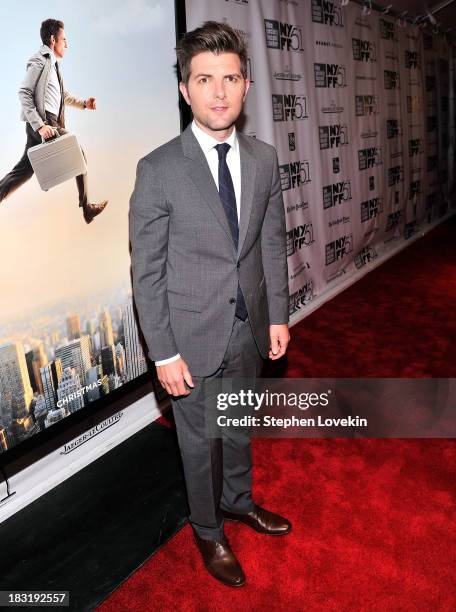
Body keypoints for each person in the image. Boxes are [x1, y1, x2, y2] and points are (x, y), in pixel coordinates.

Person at [129, 21, 291, 587]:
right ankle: (207, 529)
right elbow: (146, 273)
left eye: (229, 78)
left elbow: (270, 241)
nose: (218, 92)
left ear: (246, 86)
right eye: (204, 79)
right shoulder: (158, 170)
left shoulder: (266, 159)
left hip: (248, 327)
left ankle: (238, 501)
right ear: (184, 88)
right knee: (199, 443)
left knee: (240, 423)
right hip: (190, 338)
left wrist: (278, 316)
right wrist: (163, 351)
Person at [0, 18, 107, 224]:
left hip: (47, 122)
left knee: (23, 171)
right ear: (52, 40)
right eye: (64, 39)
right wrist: (40, 126)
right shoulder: (39, 60)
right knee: (78, 153)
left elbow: (61, 95)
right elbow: (24, 92)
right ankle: (87, 208)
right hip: (45, 122)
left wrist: (84, 103)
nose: (67, 44)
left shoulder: (53, 65)